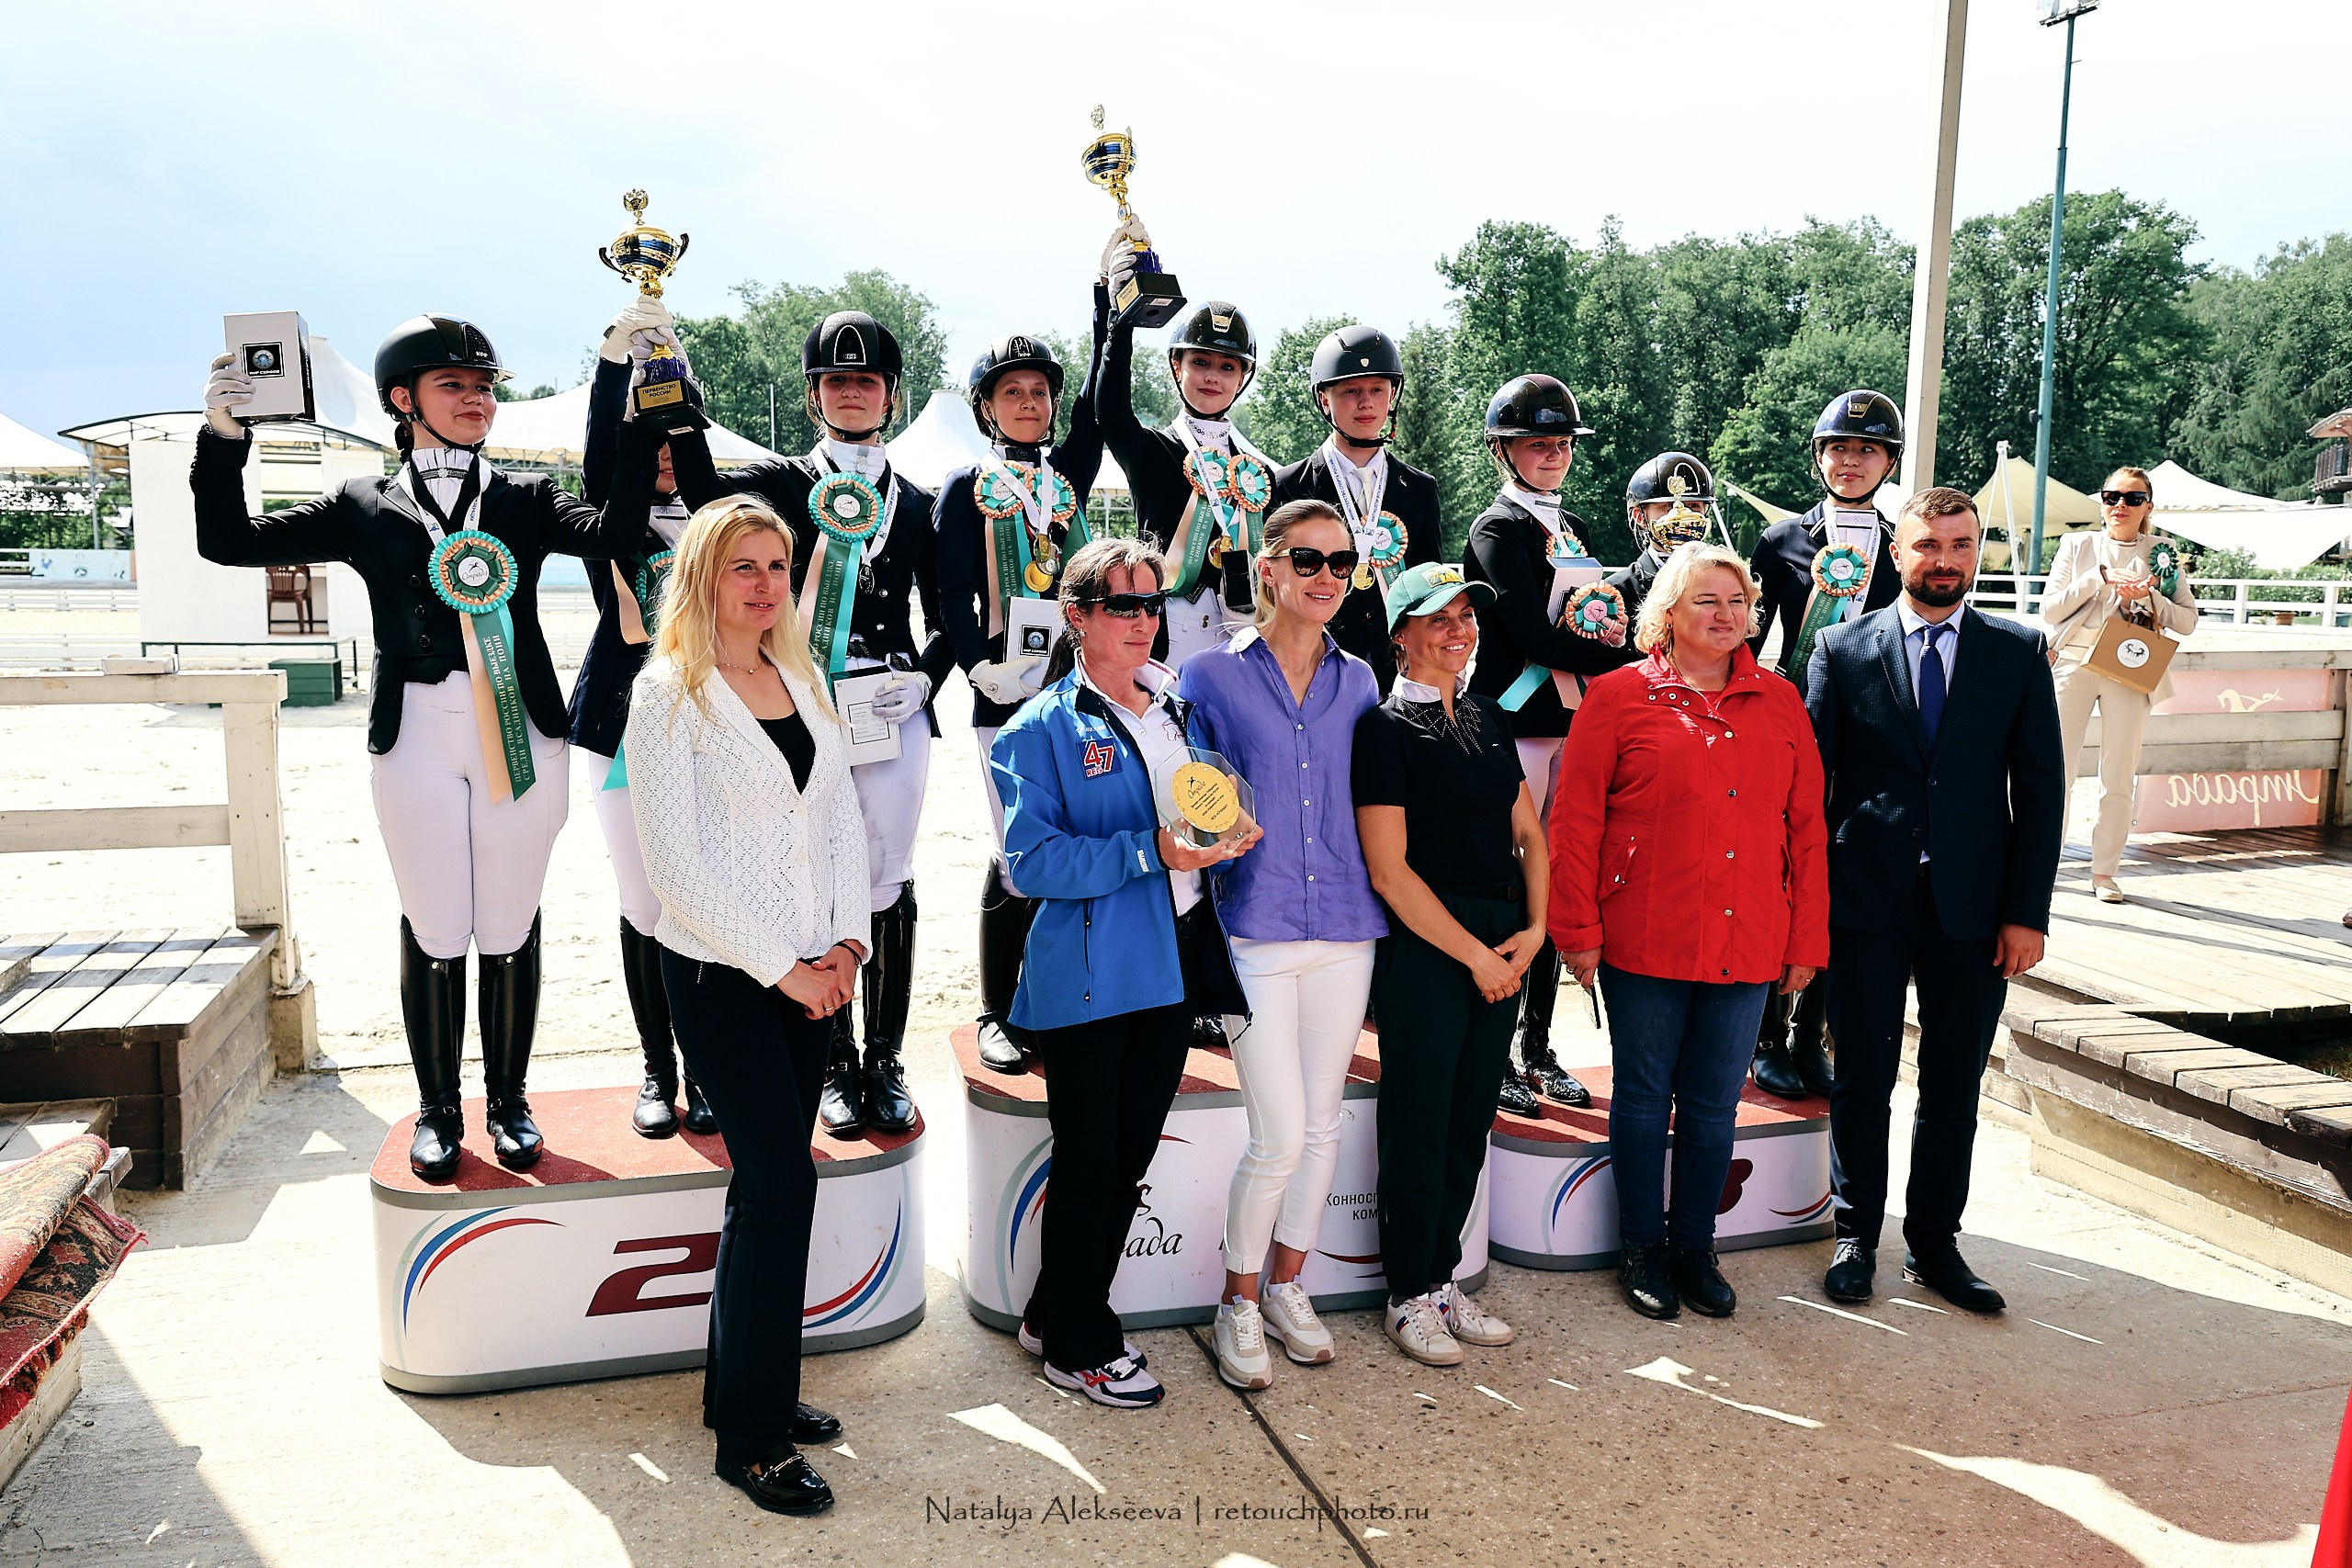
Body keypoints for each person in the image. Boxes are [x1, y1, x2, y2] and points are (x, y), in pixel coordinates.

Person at [194, 315, 638, 1180]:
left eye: (484, 387)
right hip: (415, 735)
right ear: (405, 400)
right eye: (455, 386)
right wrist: (223, 439)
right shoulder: (363, 503)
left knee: (508, 923)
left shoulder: (526, 497)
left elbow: (618, 529)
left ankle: (508, 1101)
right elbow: (228, 540)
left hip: (519, 729)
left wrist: (620, 379)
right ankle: (440, 1108)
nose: (477, 400)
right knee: (437, 925)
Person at [622, 494, 872, 1516]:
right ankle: (752, 1440)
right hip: (726, 975)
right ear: (703, 579)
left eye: (777, 566)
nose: (766, 585)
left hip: (815, 964)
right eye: (743, 568)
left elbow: (843, 818)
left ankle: (743, 1385)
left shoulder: (799, 674)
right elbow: (674, 871)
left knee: (765, 1190)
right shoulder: (668, 696)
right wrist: (788, 970)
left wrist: (851, 940)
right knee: (780, 1182)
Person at [657, 309, 946, 1140]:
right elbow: (710, 495)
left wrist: (928, 671)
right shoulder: (780, 482)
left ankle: (883, 1058)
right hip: (797, 702)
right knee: (811, 867)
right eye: (836, 380)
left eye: (867, 380)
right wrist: (672, 383)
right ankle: (830, 1060)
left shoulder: (918, 501)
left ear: (890, 393)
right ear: (815, 392)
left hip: (888, 707)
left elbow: (954, 608)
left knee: (885, 876)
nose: (852, 392)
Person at [990, 537, 1253, 1406]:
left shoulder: (1172, 706)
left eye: (1152, 604)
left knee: (1127, 1159)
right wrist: (1151, 850)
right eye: (1122, 605)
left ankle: (1051, 1314)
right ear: (1077, 617)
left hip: (1176, 963)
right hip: (1093, 976)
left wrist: (1227, 833)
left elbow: (1204, 800)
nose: (1144, 619)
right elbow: (1028, 863)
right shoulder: (1039, 728)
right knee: (1094, 1163)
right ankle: (1082, 1342)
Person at [1548, 546, 1828, 1321]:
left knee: (1713, 1104)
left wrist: (1808, 939)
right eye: (1707, 600)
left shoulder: (1779, 701)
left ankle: (1694, 1247)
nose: (1726, 615)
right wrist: (1575, 925)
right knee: (1642, 1097)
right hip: (1645, 935)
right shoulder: (1615, 697)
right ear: (1666, 613)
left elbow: (1806, 828)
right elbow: (1575, 821)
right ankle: (1641, 1246)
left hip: (1748, 938)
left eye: (1738, 601)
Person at [1805, 487, 2064, 1314]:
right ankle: (1855, 1236)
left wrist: (2028, 911)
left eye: (1959, 544)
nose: (1944, 560)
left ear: (1976, 551)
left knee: (1952, 1084)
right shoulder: (1842, 648)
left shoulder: (2018, 652)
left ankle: (1934, 1244)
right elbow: (1810, 794)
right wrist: (1805, 909)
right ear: (1896, 550)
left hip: (1976, 910)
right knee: (1863, 1079)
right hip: (1866, 903)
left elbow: (2043, 791)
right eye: (1927, 545)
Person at [1177, 499, 1385, 1390]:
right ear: (1266, 568)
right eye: (1307, 560)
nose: (1327, 577)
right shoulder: (1208, 677)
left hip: (1346, 927)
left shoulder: (1362, 681)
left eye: (1341, 562)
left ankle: (1288, 1287)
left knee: (1325, 1122)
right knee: (1279, 1135)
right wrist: (1214, 821)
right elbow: (1190, 789)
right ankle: (1237, 1301)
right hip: (1252, 928)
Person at [1355, 562, 1547, 1367]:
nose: (1458, 630)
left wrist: (1536, 931)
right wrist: (1476, 955)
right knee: (1419, 1118)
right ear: (1401, 634)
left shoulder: (1489, 720)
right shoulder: (1381, 729)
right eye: (1439, 617)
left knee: (1469, 1117)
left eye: (1467, 616)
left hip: (1506, 934)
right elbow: (1390, 871)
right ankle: (1407, 1292)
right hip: (1433, 940)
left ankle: (1439, 1279)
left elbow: (1531, 834)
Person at [934, 294, 1109, 1075]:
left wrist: (1113, 309)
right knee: (1016, 849)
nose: (1031, 403)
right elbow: (946, 594)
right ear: (986, 407)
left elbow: (1102, 413)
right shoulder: (963, 485)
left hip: (1073, 690)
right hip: (1001, 693)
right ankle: (997, 1010)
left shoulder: (1067, 478)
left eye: (1040, 391)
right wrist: (976, 662)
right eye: (1013, 392)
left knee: (1072, 840)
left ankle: (1057, 997)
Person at [1461, 375, 1626, 1119]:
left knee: (1557, 883)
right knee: (1509, 881)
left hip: (1572, 723)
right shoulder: (1497, 529)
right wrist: (1627, 662)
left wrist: (1614, 639)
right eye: (1538, 443)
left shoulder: (1577, 525)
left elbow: (1591, 619)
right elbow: (1528, 632)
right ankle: (1492, 1050)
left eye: (1561, 443)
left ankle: (1537, 1044)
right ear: (1505, 450)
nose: (1553, 454)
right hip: (1518, 719)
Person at [571, 294, 716, 1139]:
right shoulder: (608, 517)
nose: (663, 457)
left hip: (709, 725)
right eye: (650, 443)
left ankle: (706, 1064)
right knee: (645, 902)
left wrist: (675, 383)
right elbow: (602, 453)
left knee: (702, 896)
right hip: (621, 724)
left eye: (676, 442)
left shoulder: (714, 516)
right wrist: (615, 365)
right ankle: (658, 1068)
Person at [1746, 389, 1907, 1104]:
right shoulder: (1782, 540)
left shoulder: (1906, 542)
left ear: (1888, 461)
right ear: (1819, 456)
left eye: (1867, 449)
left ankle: (1815, 1032)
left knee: (1840, 882)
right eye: (1839, 448)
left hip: (1871, 733)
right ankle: (1765, 1036)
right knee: (1779, 878)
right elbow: (1748, 640)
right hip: (1791, 725)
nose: (1851, 461)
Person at [1095, 220, 1273, 668]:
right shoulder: (1153, 451)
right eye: (1201, 362)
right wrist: (1119, 320)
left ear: (1244, 377)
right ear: (1177, 366)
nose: (1213, 376)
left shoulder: (1259, 471)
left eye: (1228, 367)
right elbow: (1111, 412)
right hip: (1162, 629)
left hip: (1243, 629)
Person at [2039, 467, 2199, 904]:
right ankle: (2041, 866)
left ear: (2149, 505)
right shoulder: (2078, 545)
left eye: (2132, 498)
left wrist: (2149, 596)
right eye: (2111, 497)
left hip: (2130, 667)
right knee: (2058, 772)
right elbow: (2050, 610)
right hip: (2074, 663)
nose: (2120, 507)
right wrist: (2100, 579)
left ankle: (2104, 872)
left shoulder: (2162, 552)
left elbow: (2186, 621)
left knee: (2118, 775)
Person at [1269, 325, 1441, 690]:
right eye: (1350, 391)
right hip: (1312, 672)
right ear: (1324, 399)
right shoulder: (1287, 485)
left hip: (1398, 677)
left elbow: (1429, 590)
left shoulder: (1420, 489)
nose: (1366, 403)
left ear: (1392, 394)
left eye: (1377, 390)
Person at [1604, 451, 1720, 627]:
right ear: (1640, 517)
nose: (1683, 515)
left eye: (1694, 506)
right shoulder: (1617, 591)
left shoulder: (1724, 581)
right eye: (1667, 507)